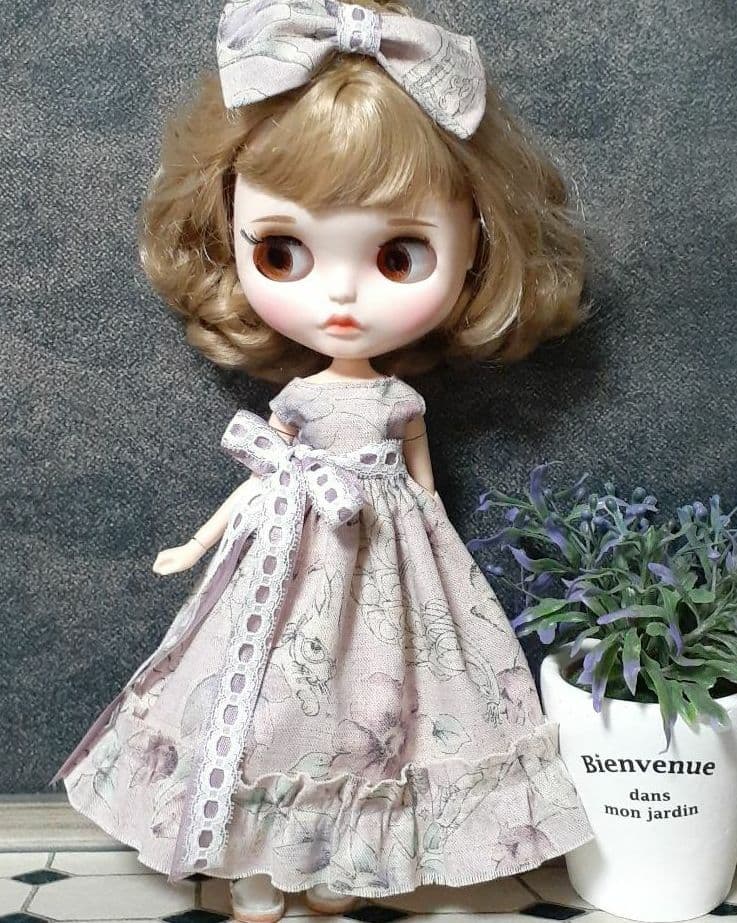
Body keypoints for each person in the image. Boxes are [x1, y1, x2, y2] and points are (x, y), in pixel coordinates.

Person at [50, 0, 595, 920]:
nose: (340, 293)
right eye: (282, 250)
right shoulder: (298, 400)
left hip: (392, 561)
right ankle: (259, 856)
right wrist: (199, 543)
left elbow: (423, 490)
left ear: (475, 246)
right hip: (289, 557)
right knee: (268, 704)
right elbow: (271, 472)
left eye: (398, 254)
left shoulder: (401, 403)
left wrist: (440, 565)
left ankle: (344, 856)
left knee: (377, 711)